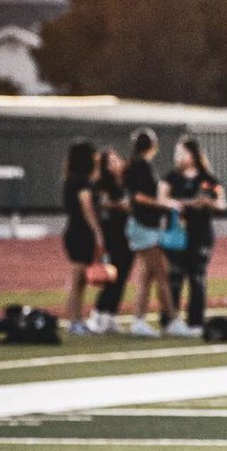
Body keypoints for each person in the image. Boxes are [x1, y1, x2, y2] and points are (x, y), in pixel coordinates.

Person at [123, 127, 193, 338]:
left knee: (148, 275)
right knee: (162, 272)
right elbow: (139, 197)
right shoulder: (140, 167)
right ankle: (171, 319)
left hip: (144, 225)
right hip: (144, 226)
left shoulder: (136, 166)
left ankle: (139, 320)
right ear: (152, 146)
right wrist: (165, 204)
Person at [163, 137, 227, 335]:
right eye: (177, 153)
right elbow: (162, 199)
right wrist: (189, 203)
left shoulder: (208, 179)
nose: (179, 157)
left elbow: (222, 203)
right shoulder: (171, 178)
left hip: (201, 234)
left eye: (183, 152)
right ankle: (170, 320)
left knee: (197, 278)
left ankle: (196, 322)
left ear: (194, 154)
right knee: (174, 277)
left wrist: (208, 203)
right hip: (177, 234)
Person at [86, 148, 134, 334]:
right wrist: (119, 205)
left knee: (122, 276)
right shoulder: (102, 184)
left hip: (127, 235)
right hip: (111, 235)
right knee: (111, 276)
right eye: (110, 162)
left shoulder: (126, 182)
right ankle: (98, 314)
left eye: (116, 160)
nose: (115, 164)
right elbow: (99, 204)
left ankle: (111, 315)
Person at [61, 139, 104, 335]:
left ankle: (77, 318)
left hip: (75, 230)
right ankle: (74, 320)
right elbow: (86, 208)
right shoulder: (82, 182)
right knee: (78, 278)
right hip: (81, 232)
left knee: (80, 280)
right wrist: (97, 231)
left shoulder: (72, 179)